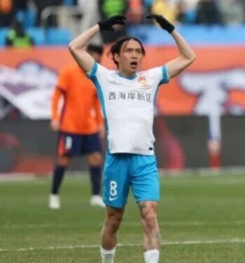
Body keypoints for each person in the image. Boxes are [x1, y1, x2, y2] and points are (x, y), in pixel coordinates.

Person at [67, 14, 196, 263]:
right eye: (129, 51)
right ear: (116, 56)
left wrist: (170, 29)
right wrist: (100, 27)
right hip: (117, 160)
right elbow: (74, 47)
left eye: (139, 51)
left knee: (149, 214)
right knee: (113, 220)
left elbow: (189, 56)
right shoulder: (104, 77)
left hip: (145, 160)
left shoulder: (151, 78)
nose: (135, 55)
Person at [49, 43, 106, 210]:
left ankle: (96, 196)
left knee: (96, 158)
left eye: (99, 57)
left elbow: (96, 102)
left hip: (89, 127)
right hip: (70, 126)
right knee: (64, 160)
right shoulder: (69, 72)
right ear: (86, 55)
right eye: (94, 56)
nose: (96, 60)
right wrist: (55, 117)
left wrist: (100, 123)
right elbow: (57, 95)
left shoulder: (95, 76)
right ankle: (54, 195)